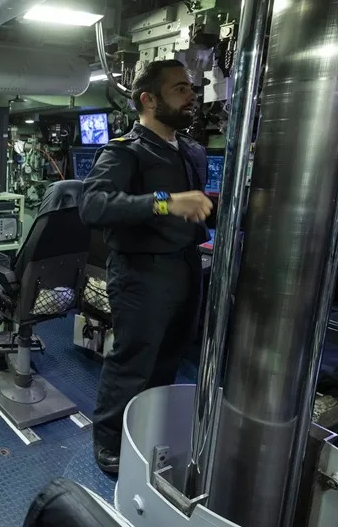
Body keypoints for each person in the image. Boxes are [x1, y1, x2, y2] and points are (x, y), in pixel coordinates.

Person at [79, 59, 213, 474]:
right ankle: (109, 441)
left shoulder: (192, 150)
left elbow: (194, 209)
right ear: (148, 99)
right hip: (142, 274)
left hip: (186, 267)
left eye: (191, 87)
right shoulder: (125, 151)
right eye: (179, 89)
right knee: (134, 361)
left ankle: (147, 430)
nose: (191, 95)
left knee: (169, 358)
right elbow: (93, 205)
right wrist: (165, 201)